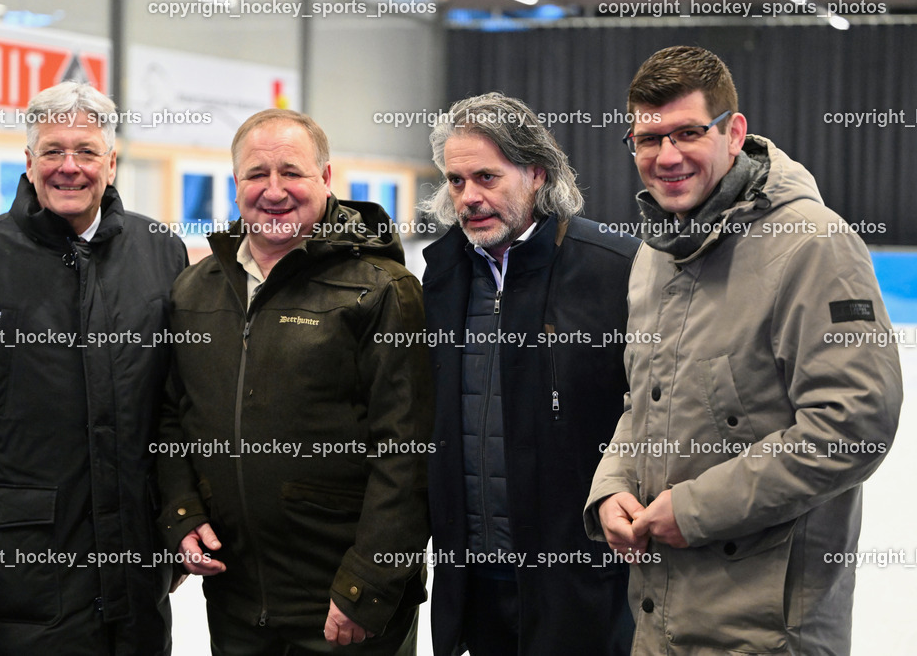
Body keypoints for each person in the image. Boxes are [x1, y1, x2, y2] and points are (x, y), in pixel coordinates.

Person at [585, 45, 903, 655]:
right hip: (659, 621)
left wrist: (697, 510)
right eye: (648, 139)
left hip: (766, 634)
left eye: (688, 132)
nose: (667, 156)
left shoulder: (813, 245)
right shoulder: (655, 254)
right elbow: (644, 402)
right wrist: (614, 482)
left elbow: (854, 424)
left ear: (733, 133)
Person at [0, 81, 188, 655]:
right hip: (17, 579)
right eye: (53, 151)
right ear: (29, 162)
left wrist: (175, 528)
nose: (69, 167)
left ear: (112, 162)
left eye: (86, 151)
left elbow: (176, 406)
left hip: (136, 579)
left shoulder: (161, 251)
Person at [155, 108, 433, 655]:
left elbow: (408, 452)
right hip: (235, 596)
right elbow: (171, 415)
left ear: (326, 178)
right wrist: (180, 513)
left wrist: (368, 583)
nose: (274, 190)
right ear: (236, 183)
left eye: (292, 172)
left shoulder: (381, 290)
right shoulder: (195, 289)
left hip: (344, 602)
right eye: (257, 174)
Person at [420, 92, 638, 655]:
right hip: (476, 584)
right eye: (456, 181)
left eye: (487, 177)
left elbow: (652, 411)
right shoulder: (442, 275)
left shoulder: (616, 268)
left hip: (580, 585)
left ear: (537, 173)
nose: (469, 197)